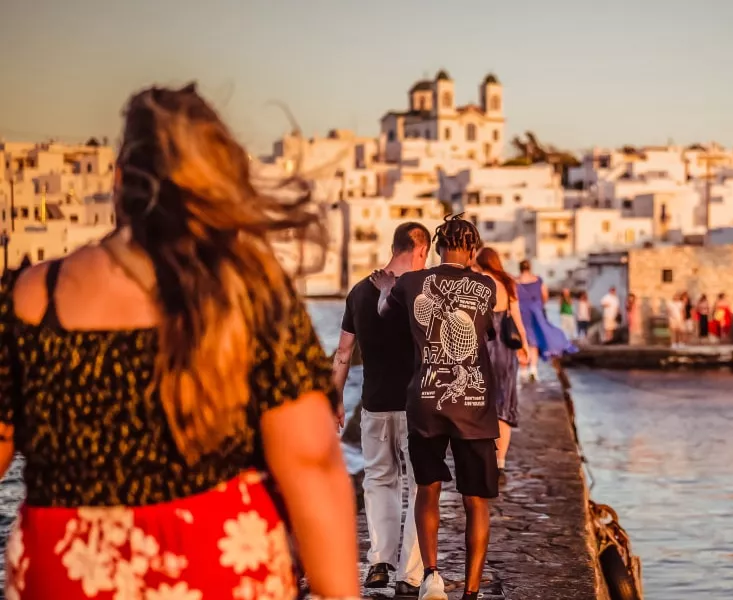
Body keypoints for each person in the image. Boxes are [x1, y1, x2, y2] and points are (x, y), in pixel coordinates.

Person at [0, 84, 359, 599]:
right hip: (218, 563)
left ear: (119, 178)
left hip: (69, 572)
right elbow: (313, 465)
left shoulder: (33, 297)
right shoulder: (246, 293)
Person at [373, 215, 499, 600]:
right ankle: (472, 593)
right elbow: (488, 328)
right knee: (476, 499)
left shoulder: (411, 283)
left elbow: (384, 315)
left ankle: (431, 577)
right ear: (472, 248)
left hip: (426, 400)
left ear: (439, 245)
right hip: (474, 406)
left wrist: (384, 289)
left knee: (426, 489)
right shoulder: (486, 284)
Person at [333, 222, 430, 594]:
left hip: (373, 405)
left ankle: (379, 561)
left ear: (395, 246)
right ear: (420, 249)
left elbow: (343, 352)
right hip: (413, 406)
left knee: (378, 481)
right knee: (421, 488)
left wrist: (336, 398)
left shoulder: (358, 291)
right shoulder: (419, 290)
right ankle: (409, 573)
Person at [473, 247, 532, 473]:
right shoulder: (508, 284)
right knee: (504, 406)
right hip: (506, 351)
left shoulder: (478, 283)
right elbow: (517, 320)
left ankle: (484, 456)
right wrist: (524, 347)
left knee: (482, 404)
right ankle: (500, 461)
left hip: (484, 348)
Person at [515, 261, 575, 380]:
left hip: (520, 312)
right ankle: (533, 369)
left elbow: (512, 296)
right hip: (535, 311)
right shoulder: (538, 280)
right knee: (534, 341)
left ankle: (522, 370)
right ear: (530, 267)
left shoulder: (515, 281)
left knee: (522, 341)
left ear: (520, 268)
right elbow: (545, 295)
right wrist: (538, 305)